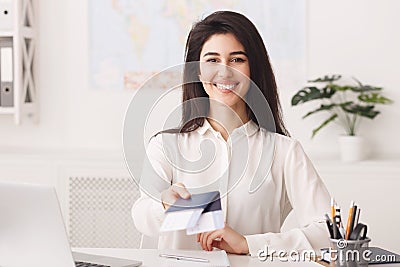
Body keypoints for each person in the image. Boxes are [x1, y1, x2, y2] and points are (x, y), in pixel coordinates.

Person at [132, 10, 331, 256]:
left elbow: (331, 235)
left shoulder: (284, 151)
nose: (225, 72)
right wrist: (164, 203)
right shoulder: (165, 145)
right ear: (197, 71)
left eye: (237, 59)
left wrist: (248, 244)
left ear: (253, 69)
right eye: (212, 60)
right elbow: (142, 217)